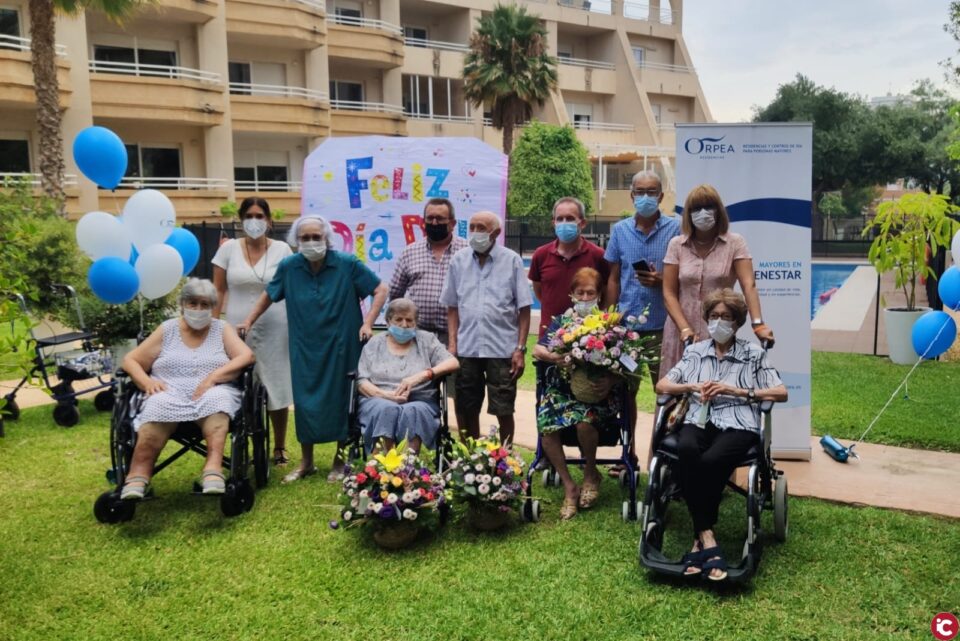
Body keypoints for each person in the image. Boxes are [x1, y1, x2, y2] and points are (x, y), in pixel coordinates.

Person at [238, 215, 388, 483]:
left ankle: (340, 461)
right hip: (304, 345)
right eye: (304, 238)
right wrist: (248, 321)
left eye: (316, 237)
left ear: (326, 239)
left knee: (344, 399)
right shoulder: (290, 266)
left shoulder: (346, 264)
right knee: (306, 401)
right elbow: (269, 294)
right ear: (296, 241)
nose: (310, 242)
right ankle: (306, 462)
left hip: (342, 344)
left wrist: (368, 322)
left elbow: (380, 289)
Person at [655, 288, 787, 581]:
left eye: (726, 317)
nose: (719, 322)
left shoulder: (752, 354)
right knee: (687, 450)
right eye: (714, 316)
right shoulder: (695, 351)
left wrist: (737, 390)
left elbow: (780, 392)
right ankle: (707, 535)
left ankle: (698, 540)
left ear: (737, 322)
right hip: (699, 418)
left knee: (712, 459)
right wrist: (690, 387)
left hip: (738, 421)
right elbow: (662, 386)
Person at [119, 279, 256, 500]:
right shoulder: (168, 329)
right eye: (193, 303)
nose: (198, 309)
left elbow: (246, 356)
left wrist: (213, 378)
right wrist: (147, 383)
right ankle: (138, 475)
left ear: (212, 307)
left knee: (218, 400)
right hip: (169, 391)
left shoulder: (221, 329)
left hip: (212, 390)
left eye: (205, 304)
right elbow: (130, 360)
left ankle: (212, 470)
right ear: (182, 304)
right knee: (157, 403)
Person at [603, 170, 681, 473]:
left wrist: (662, 279)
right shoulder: (620, 230)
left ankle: (666, 460)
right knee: (625, 396)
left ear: (661, 196)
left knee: (668, 396)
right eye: (640, 191)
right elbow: (613, 277)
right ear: (631, 195)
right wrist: (609, 321)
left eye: (652, 191)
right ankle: (629, 456)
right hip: (627, 332)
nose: (645, 197)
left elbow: (684, 277)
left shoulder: (676, 230)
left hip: (665, 329)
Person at [212, 197, 294, 466]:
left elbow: (292, 289)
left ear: (269, 221)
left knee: (276, 384)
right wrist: (213, 328)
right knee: (239, 383)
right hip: (236, 328)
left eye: (260, 216)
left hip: (276, 327)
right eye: (250, 215)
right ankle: (242, 440)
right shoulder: (228, 249)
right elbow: (218, 290)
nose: (255, 221)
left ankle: (279, 446)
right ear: (241, 219)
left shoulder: (283, 250)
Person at [661, 184, 775, 375]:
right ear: (688, 213)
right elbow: (668, 293)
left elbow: (749, 285)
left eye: (709, 207)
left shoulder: (734, 243)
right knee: (676, 391)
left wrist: (758, 323)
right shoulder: (676, 245)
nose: (703, 213)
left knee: (717, 388)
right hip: (680, 328)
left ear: (719, 211)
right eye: (696, 209)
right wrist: (684, 329)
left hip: (718, 327)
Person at [532, 267, 618, 520]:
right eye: (579, 292)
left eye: (590, 292)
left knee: (584, 422)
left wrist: (611, 380)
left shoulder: (610, 325)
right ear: (571, 294)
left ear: (599, 295)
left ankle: (591, 473)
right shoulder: (562, 322)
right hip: (562, 391)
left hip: (596, 393)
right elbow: (538, 349)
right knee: (546, 423)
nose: (584, 297)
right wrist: (556, 357)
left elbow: (630, 363)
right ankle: (570, 486)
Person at [440, 210, 532, 445]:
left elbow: (523, 309)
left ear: (496, 232)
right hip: (467, 348)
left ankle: (506, 459)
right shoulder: (458, 260)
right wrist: (452, 344)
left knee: (503, 407)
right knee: (465, 406)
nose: (476, 232)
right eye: (472, 227)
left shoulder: (511, 260)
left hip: (502, 349)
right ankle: (469, 457)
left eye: (481, 228)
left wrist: (520, 349)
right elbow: (452, 306)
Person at [357, 298, 460, 453]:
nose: (404, 325)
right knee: (387, 409)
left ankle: (407, 467)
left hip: (419, 399)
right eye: (398, 320)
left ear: (416, 322)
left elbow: (453, 362)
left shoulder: (426, 340)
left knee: (413, 411)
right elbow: (361, 380)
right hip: (378, 399)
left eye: (409, 320)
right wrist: (386, 395)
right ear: (388, 321)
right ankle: (382, 467)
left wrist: (422, 376)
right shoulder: (374, 344)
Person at [388, 197, 468, 346]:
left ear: (452, 223)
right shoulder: (410, 252)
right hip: (417, 335)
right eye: (430, 218)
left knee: (455, 370)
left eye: (440, 218)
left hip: (458, 336)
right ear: (423, 222)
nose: (434, 223)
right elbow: (395, 294)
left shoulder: (467, 251)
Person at [528, 196, 610, 339]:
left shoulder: (598, 255)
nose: (564, 223)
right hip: (550, 335)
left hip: (587, 338)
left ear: (582, 223)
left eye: (570, 218)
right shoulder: (541, 255)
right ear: (553, 223)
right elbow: (540, 292)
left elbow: (605, 293)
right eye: (560, 219)